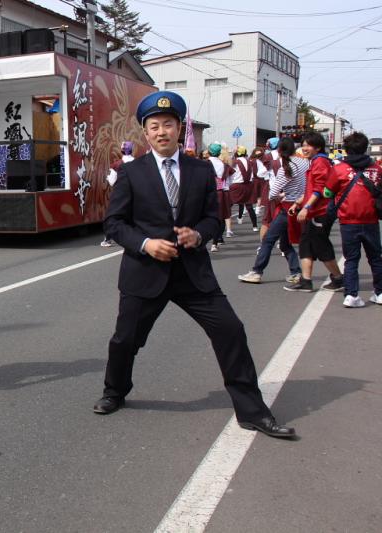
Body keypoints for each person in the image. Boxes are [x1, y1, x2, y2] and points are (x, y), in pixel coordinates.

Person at [92, 91, 295, 439]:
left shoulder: (201, 170)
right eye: (153, 126)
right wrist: (146, 244)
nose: (161, 132)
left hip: (193, 274)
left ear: (179, 128)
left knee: (231, 330)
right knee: (125, 340)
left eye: (167, 125)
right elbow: (114, 224)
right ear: (145, 133)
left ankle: (252, 411)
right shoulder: (131, 173)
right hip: (145, 273)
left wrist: (198, 235)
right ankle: (115, 390)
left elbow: (214, 219)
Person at [323, 132, 382, 307]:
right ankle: (379, 293)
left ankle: (351, 295)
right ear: (366, 148)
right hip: (371, 220)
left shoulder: (339, 169)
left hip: (348, 221)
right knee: (376, 258)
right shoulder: (376, 169)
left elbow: (327, 192)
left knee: (352, 259)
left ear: (346, 149)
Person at [238, 137, 306, 284]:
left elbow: (272, 193)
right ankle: (296, 272)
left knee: (268, 240)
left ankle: (257, 271)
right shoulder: (304, 163)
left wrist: (282, 195)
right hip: (300, 204)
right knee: (285, 243)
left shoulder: (285, 167)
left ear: (279, 151)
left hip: (286, 207)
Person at [285, 132, 344, 292]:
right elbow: (312, 188)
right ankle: (306, 280)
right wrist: (299, 202)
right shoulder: (315, 161)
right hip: (313, 211)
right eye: (303, 145)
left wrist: (306, 207)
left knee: (320, 245)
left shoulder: (320, 162)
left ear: (317, 147)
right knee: (306, 245)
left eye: (308, 145)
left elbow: (320, 189)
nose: (304, 148)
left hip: (320, 212)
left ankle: (339, 278)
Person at [101, 141, 135, 247]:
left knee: (114, 216)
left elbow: (111, 182)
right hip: (135, 193)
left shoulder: (116, 164)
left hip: (120, 194)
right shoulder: (137, 163)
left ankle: (107, 239)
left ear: (121, 151)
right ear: (132, 150)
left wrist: (108, 178)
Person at [207, 143, 234, 251]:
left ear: (209, 152)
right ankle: (216, 241)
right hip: (223, 192)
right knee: (221, 217)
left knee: (208, 217)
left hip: (209, 193)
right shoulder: (224, 165)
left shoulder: (204, 164)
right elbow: (230, 180)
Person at [230, 146, 259, 231]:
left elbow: (231, 174)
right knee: (249, 206)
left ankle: (226, 229)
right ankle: (255, 226)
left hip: (237, 185)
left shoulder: (234, 162)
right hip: (248, 185)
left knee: (228, 206)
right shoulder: (250, 161)